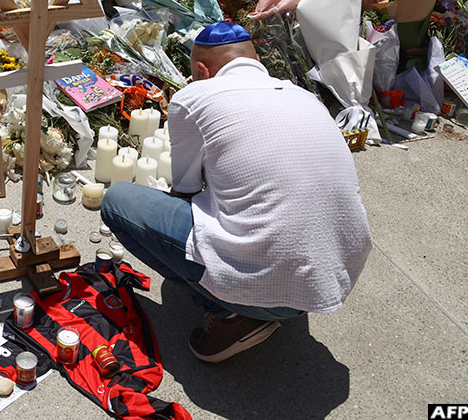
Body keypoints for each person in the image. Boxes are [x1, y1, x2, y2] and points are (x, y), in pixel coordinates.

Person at [101, 22, 372, 363]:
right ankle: (262, 301)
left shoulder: (194, 96)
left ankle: (232, 316)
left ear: (202, 70)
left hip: (269, 283)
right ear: (255, 59)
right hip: (329, 278)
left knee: (118, 203)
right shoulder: (305, 97)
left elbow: (184, 189)